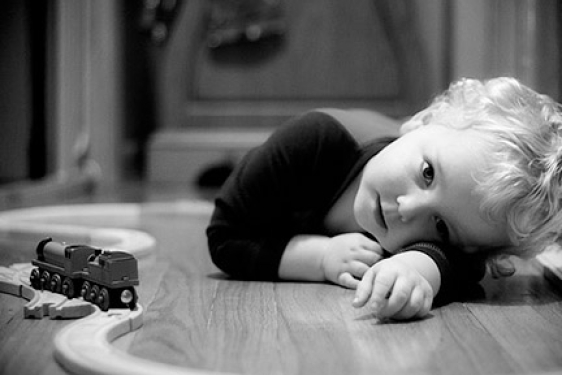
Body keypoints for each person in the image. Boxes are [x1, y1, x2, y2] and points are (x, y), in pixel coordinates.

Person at [206, 77, 562, 320]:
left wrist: (415, 270)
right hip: (279, 181)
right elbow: (226, 235)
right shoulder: (311, 142)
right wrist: (322, 258)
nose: (408, 208)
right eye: (427, 173)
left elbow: (462, 264)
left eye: (440, 225)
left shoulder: (456, 233)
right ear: (422, 121)